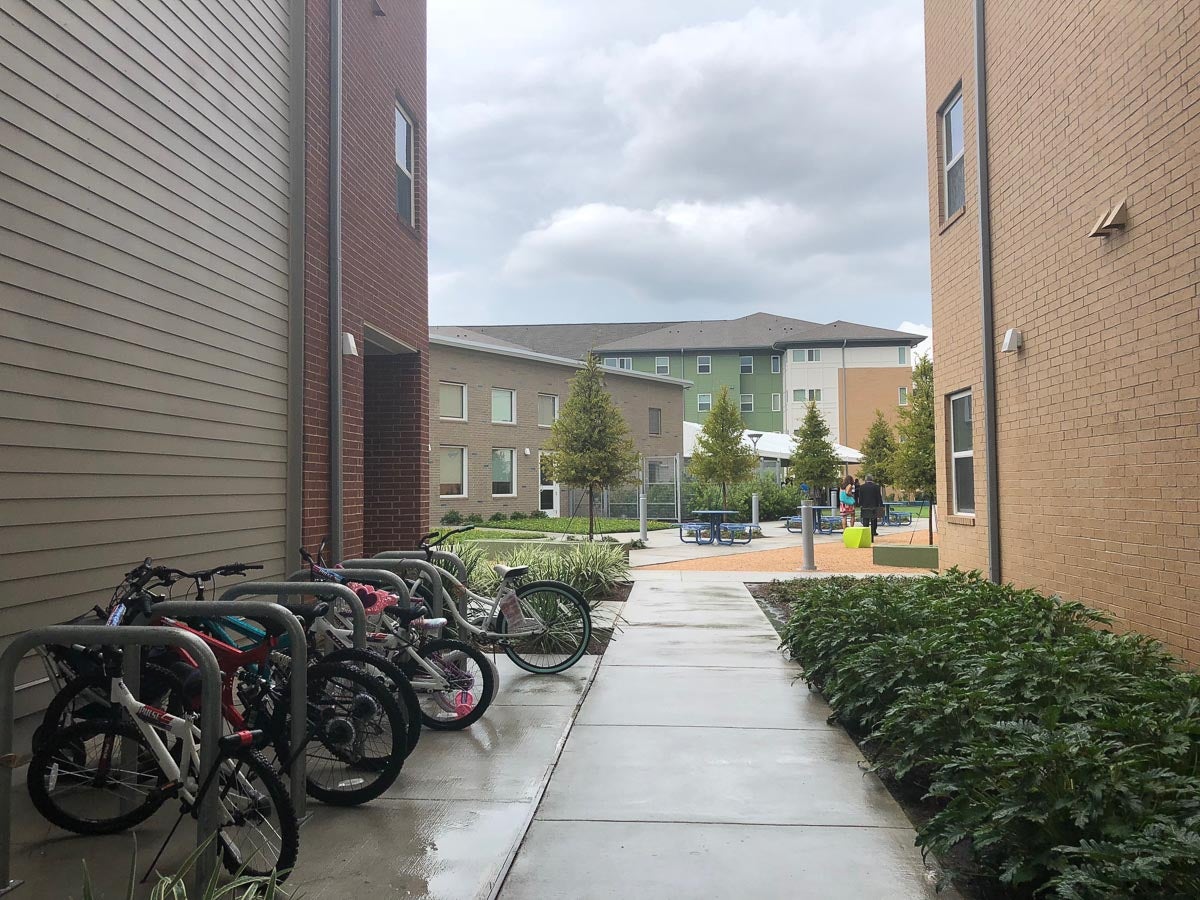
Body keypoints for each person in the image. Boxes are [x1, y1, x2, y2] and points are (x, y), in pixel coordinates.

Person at [857, 474, 885, 538]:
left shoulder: (862, 487)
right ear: (872, 479)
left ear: (866, 480)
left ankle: (865, 532)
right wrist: (881, 505)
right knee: (874, 519)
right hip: (874, 506)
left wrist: (860, 504)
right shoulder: (876, 487)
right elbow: (879, 497)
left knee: (865, 519)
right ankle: (873, 531)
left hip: (865, 506)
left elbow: (860, 497)